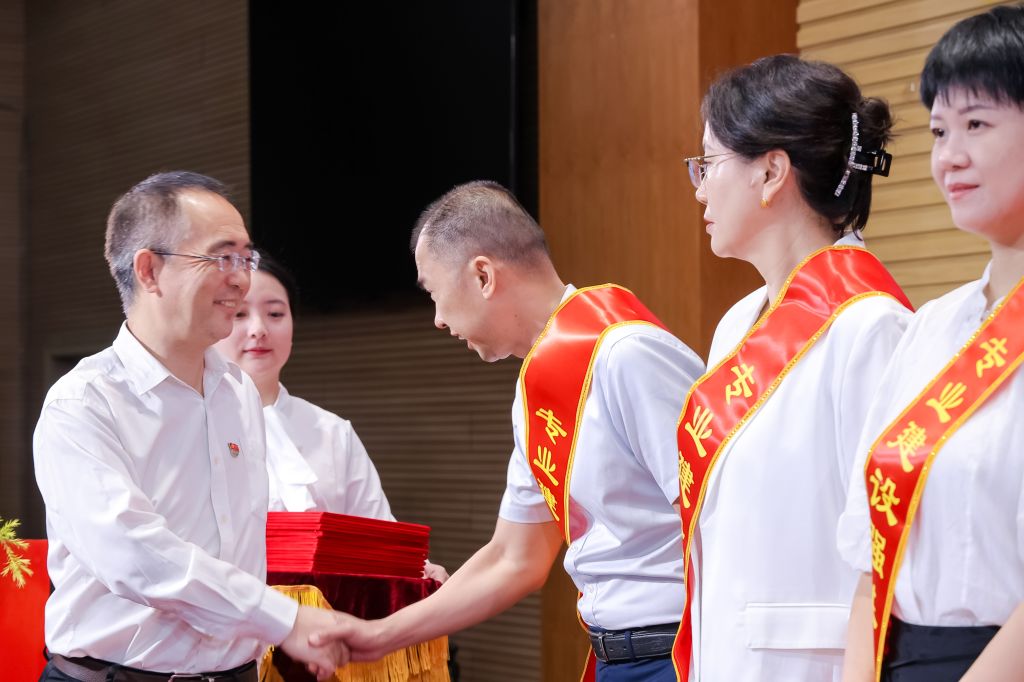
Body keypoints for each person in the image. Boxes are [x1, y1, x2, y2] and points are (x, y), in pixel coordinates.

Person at [310, 180, 705, 681]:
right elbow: (514, 557)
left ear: (482, 275)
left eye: (433, 292)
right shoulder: (537, 386)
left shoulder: (626, 354)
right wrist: (380, 635)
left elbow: (717, 516)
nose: (437, 320)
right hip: (618, 654)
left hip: (680, 651)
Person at [33, 171, 346, 682]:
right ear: (149, 270)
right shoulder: (83, 402)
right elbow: (135, 555)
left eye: (246, 259)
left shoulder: (238, 392)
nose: (241, 279)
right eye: (222, 258)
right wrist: (282, 619)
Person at [673, 55, 913, 681]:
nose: (699, 188)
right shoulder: (736, 323)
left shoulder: (871, 326)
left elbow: (885, 548)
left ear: (771, 172)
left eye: (708, 162)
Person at [839, 7, 1024, 681]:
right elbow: (870, 554)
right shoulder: (932, 327)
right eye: (939, 130)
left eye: (977, 124)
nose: (949, 156)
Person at [212, 255, 448, 582]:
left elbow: (376, 534)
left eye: (275, 314)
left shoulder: (332, 431)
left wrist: (417, 569)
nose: (259, 330)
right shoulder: (190, 425)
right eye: (239, 314)